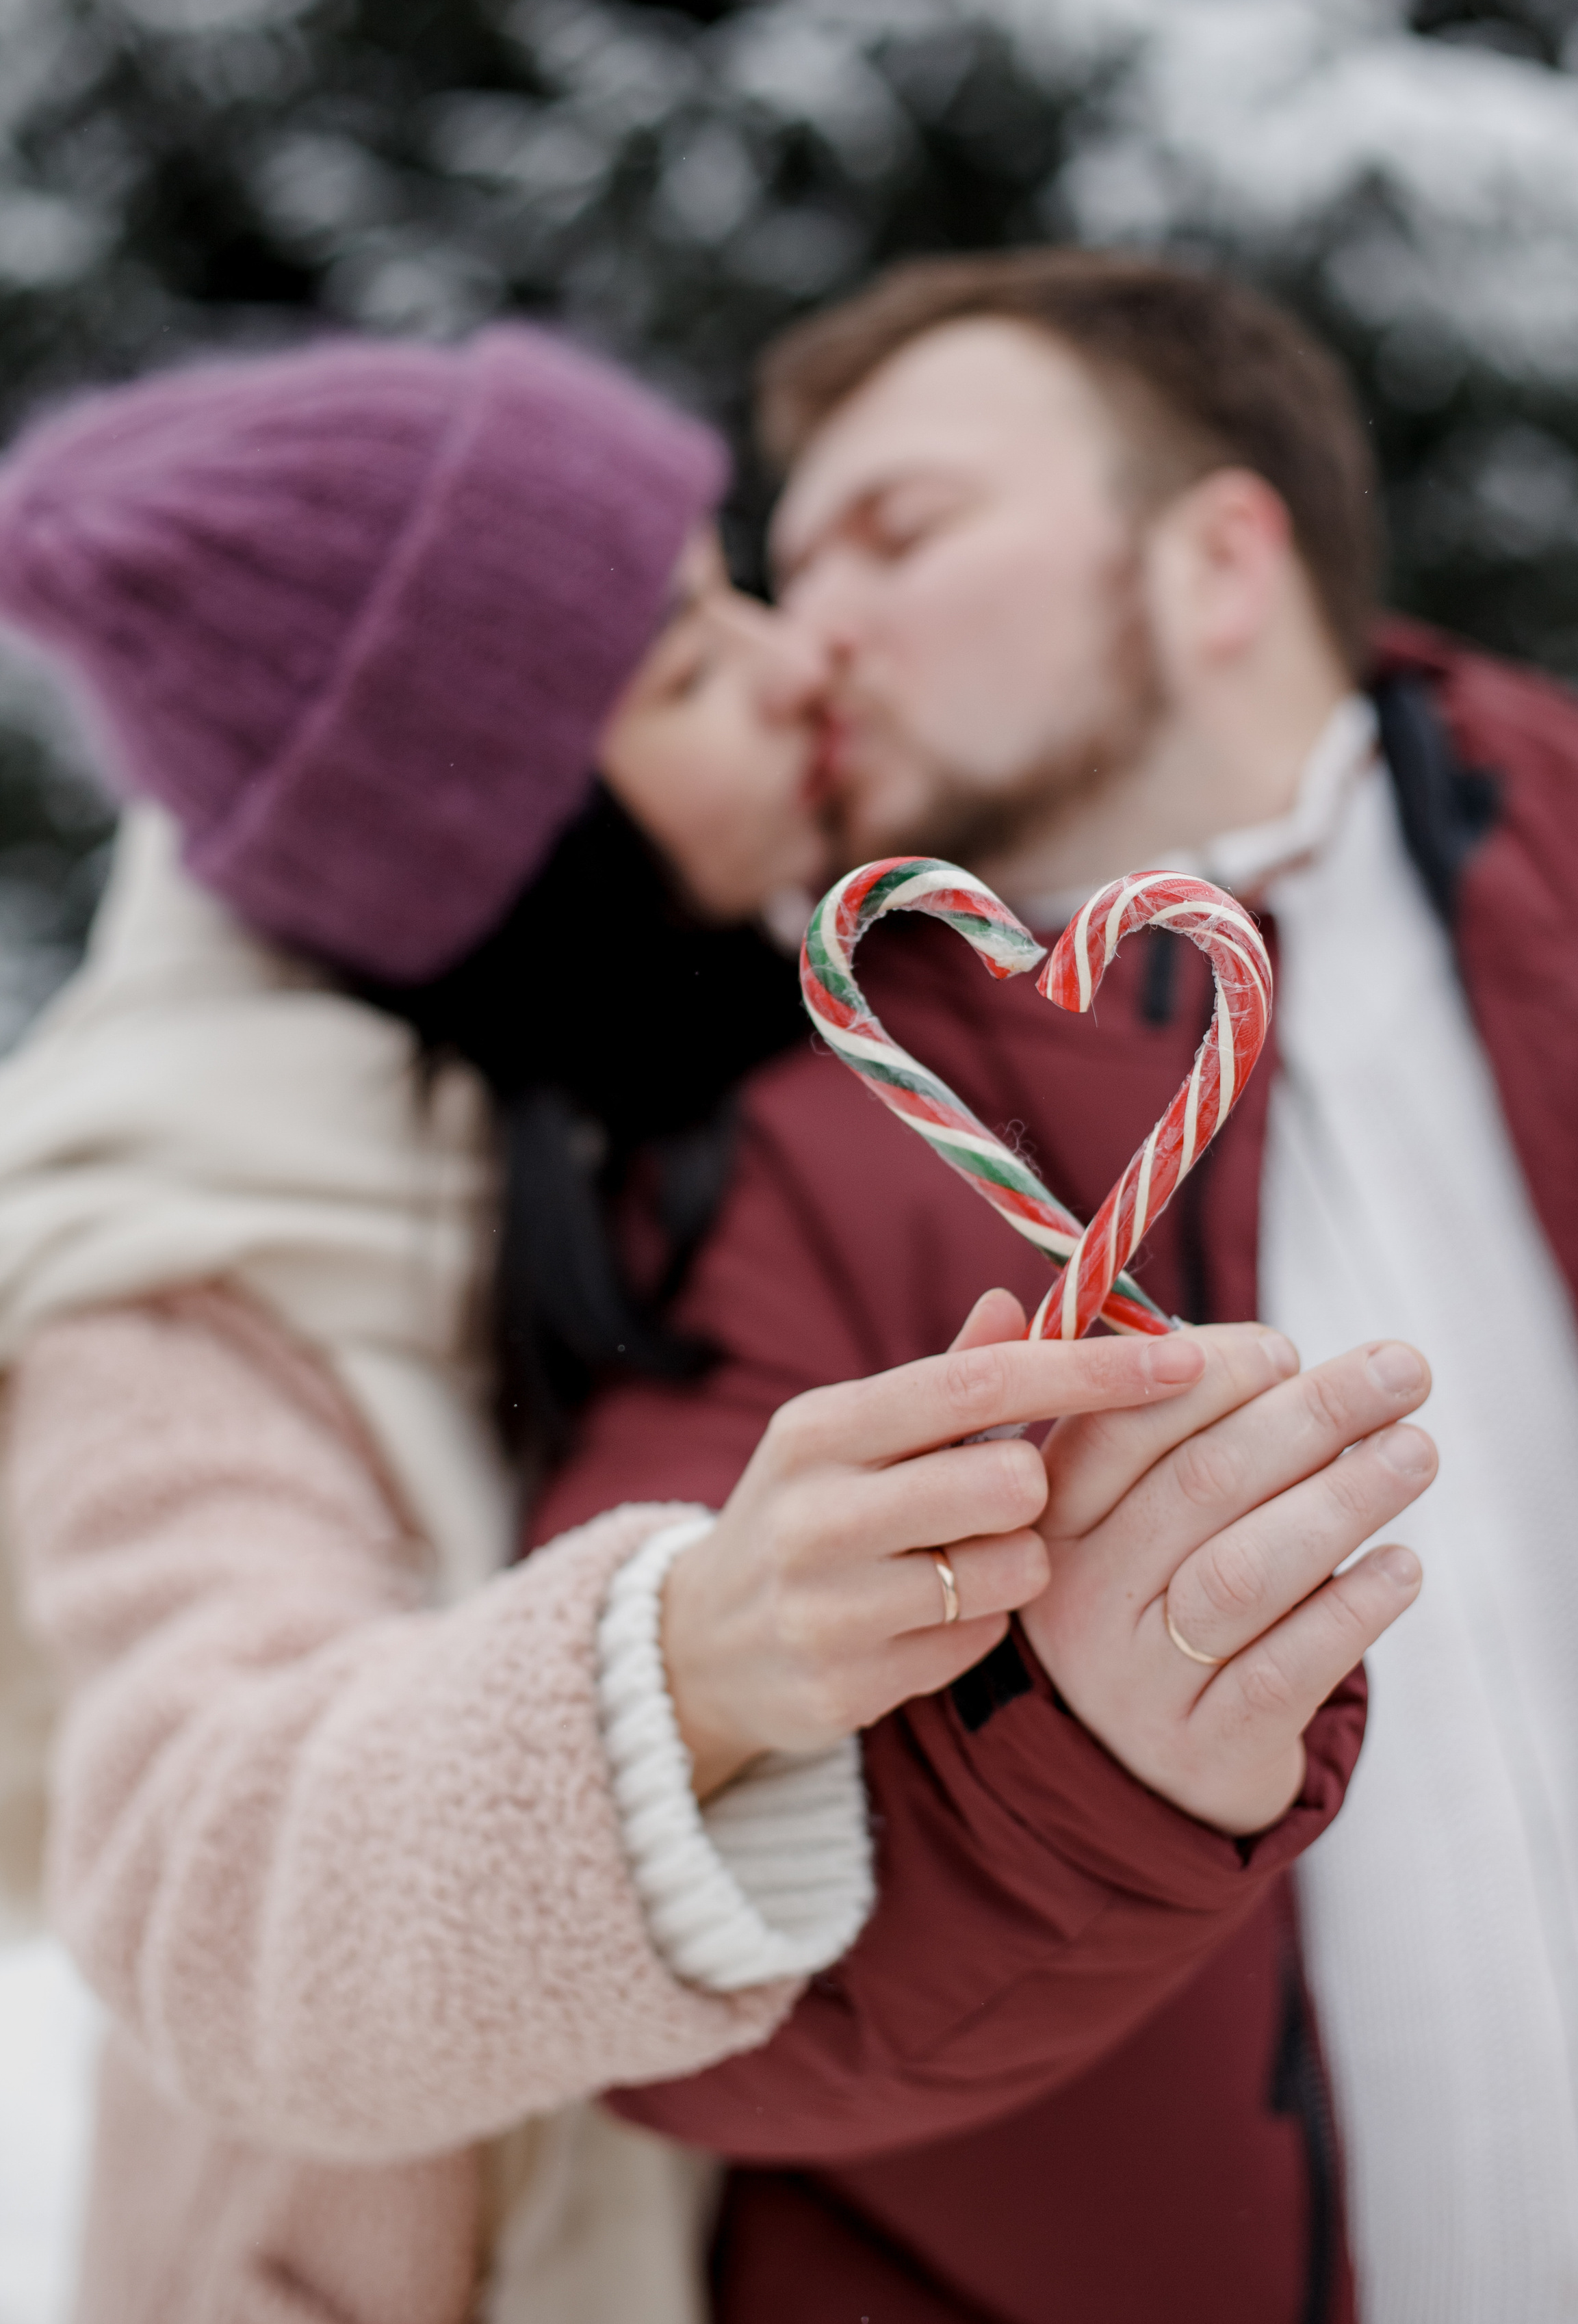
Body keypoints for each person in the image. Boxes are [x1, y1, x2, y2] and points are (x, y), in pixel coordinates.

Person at [0, 322, 1431, 2321]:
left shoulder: (672, 1038)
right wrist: (681, 1661)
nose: (797, 664)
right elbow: (192, 1884)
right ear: (499, 848)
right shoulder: (181, 1260)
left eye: (729, 586)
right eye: (688, 667)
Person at [541, 250, 1578, 2323]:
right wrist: (1075, 1779)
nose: (804, 627)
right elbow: (637, 1959)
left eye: (897, 531)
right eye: (779, 559)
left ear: (1217, 559)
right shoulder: (778, 1147)